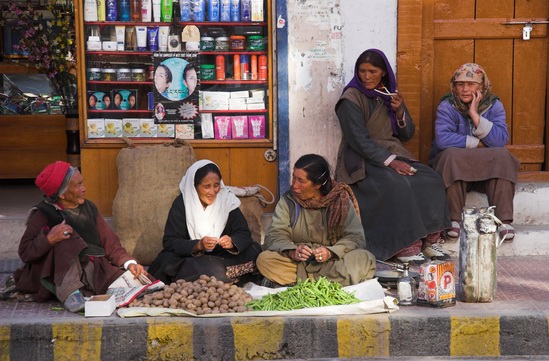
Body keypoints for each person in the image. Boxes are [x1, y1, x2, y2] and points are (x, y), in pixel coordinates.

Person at [335, 48, 451, 266]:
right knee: (397, 184)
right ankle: (406, 245)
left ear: (384, 73)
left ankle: (431, 240)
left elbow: (407, 134)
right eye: (362, 71)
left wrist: (399, 112)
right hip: (361, 158)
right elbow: (359, 141)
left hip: (393, 152)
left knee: (431, 179)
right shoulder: (350, 99)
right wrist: (391, 162)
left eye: (372, 71)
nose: (366, 76)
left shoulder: (389, 95)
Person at [10, 161, 147, 313]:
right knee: (67, 236)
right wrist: (49, 239)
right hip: (56, 275)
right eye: (78, 185)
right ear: (62, 194)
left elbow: (111, 244)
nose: (84, 189)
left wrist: (129, 263)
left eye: (83, 183)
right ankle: (71, 294)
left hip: (90, 271)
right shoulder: (43, 213)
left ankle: (85, 290)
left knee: (141, 282)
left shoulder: (89, 208)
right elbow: (25, 252)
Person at [430, 63, 520, 242]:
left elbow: (499, 140)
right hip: (456, 168)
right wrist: (478, 143)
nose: (464, 89)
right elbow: (443, 139)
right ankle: (453, 219)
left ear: (481, 86)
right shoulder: (447, 105)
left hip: (484, 173)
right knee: (450, 155)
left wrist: (474, 115)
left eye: (471, 84)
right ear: (454, 87)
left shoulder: (493, 105)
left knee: (503, 156)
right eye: (460, 84)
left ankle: (504, 220)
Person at [257, 154, 376, 288]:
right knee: (264, 259)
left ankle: (299, 281)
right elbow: (275, 235)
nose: (294, 185)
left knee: (365, 259)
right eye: (293, 177)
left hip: (331, 262)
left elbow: (355, 237)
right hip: (300, 262)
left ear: (318, 184)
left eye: (301, 181)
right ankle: (326, 283)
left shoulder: (340, 200)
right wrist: (292, 251)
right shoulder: (288, 201)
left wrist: (331, 252)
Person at [148, 160, 262, 285]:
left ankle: (218, 277)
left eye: (216, 185)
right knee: (169, 261)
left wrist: (232, 242)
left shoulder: (227, 200)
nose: (212, 192)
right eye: (207, 186)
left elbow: (243, 233)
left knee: (254, 251)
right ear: (195, 186)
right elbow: (170, 241)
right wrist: (198, 245)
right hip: (193, 257)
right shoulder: (182, 204)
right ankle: (221, 277)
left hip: (223, 255)